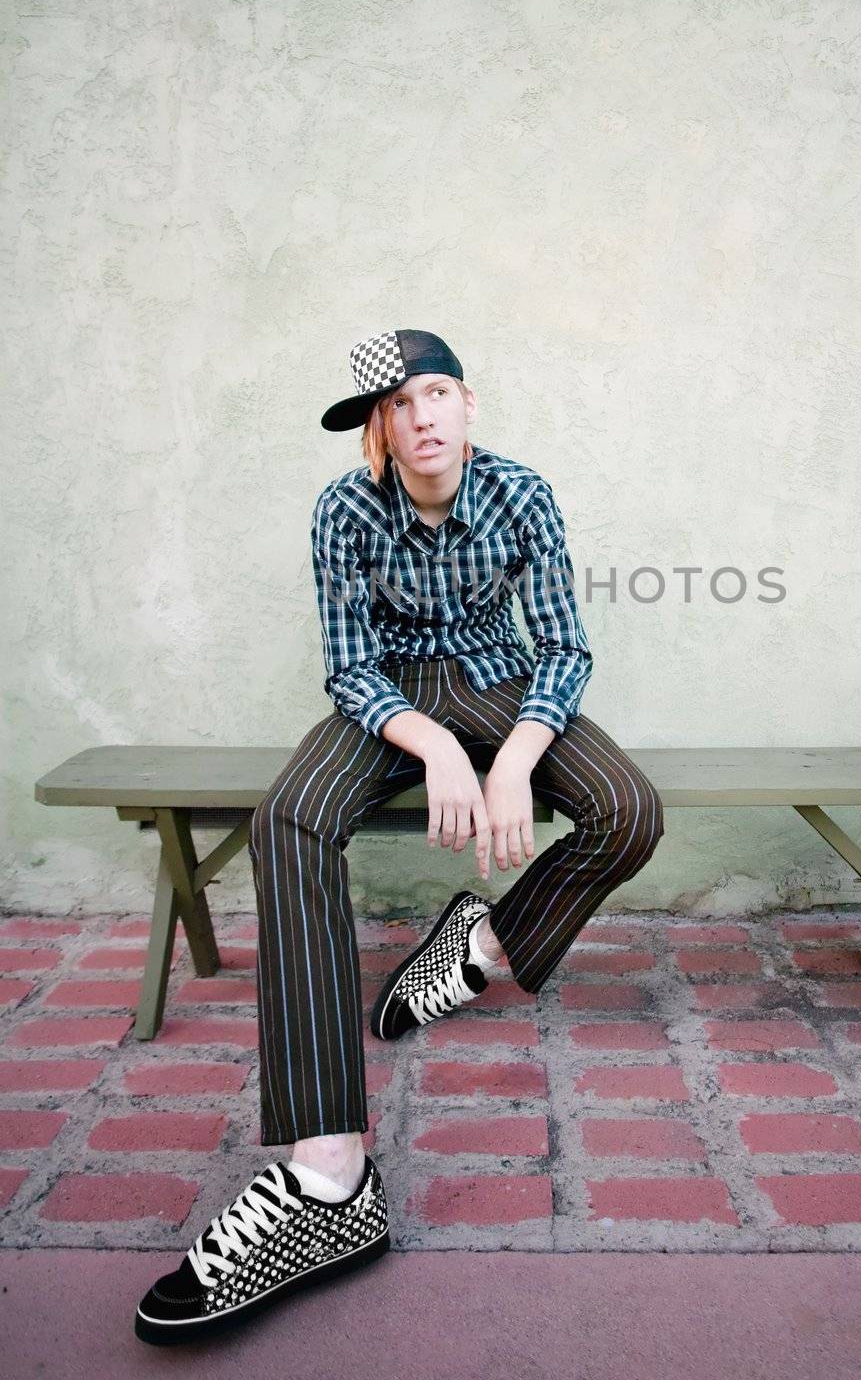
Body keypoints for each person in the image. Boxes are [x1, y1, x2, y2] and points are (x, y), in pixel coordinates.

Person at [134, 328, 665, 1344]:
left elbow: (561, 642)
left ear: (468, 403)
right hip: (389, 702)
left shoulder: (520, 492)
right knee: (287, 816)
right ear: (378, 427)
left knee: (628, 810)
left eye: (433, 394)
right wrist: (437, 749)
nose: (418, 418)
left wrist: (509, 756)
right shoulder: (344, 508)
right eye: (395, 405)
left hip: (507, 683)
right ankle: (330, 1174)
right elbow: (350, 663)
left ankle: (485, 944)